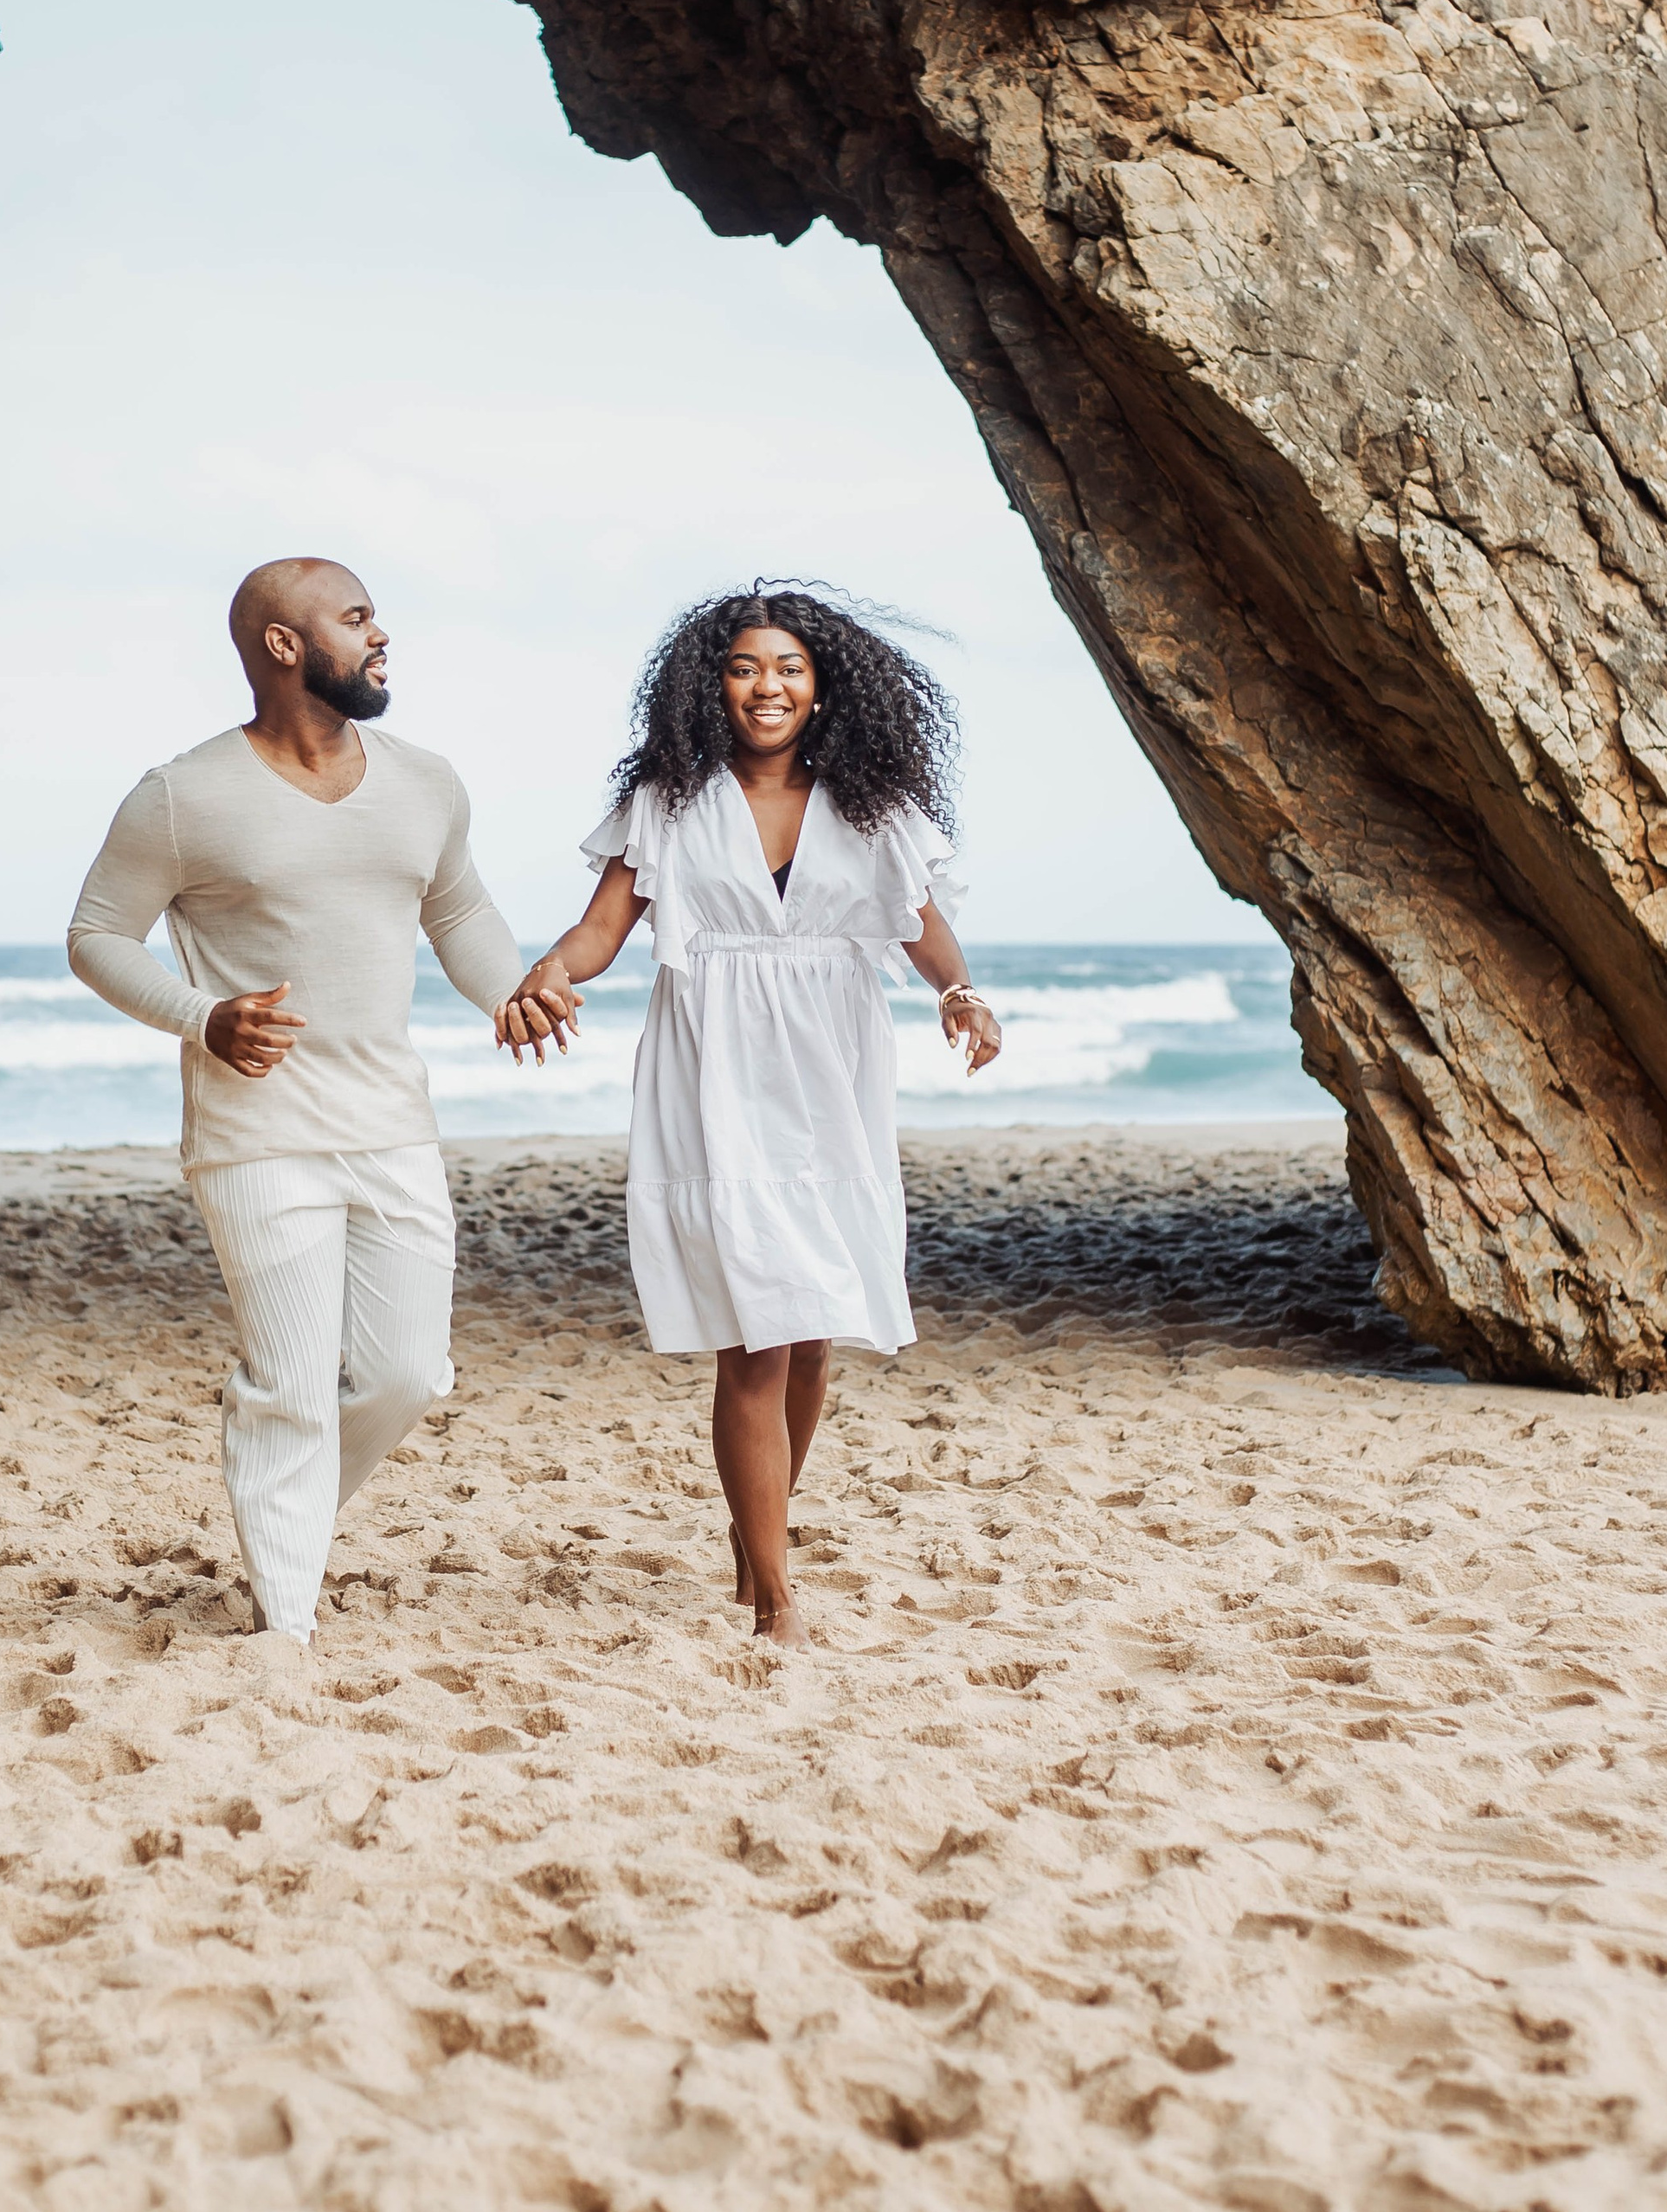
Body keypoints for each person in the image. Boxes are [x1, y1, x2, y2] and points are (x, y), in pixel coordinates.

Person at [494, 587, 1001, 1648]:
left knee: (811, 1339)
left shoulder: (867, 805)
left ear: (822, 687)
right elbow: (602, 928)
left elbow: (920, 925)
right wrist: (549, 972)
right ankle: (774, 1599)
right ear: (708, 684)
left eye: (787, 668)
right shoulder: (668, 804)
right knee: (757, 1343)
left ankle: (753, 1534)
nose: (765, 686)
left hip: (830, 1073)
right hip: (714, 1069)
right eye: (742, 667)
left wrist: (960, 993)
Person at [68, 558, 523, 1686]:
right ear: (284, 644)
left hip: (392, 1124)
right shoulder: (183, 795)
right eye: (357, 616)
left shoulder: (426, 781)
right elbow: (97, 934)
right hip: (255, 1134)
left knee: (409, 1374)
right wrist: (202, 1016)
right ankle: (286, 1619)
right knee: (289, 1382)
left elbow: (456, 906)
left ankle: (286, 1508)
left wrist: (508, 992)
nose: (382, 635)